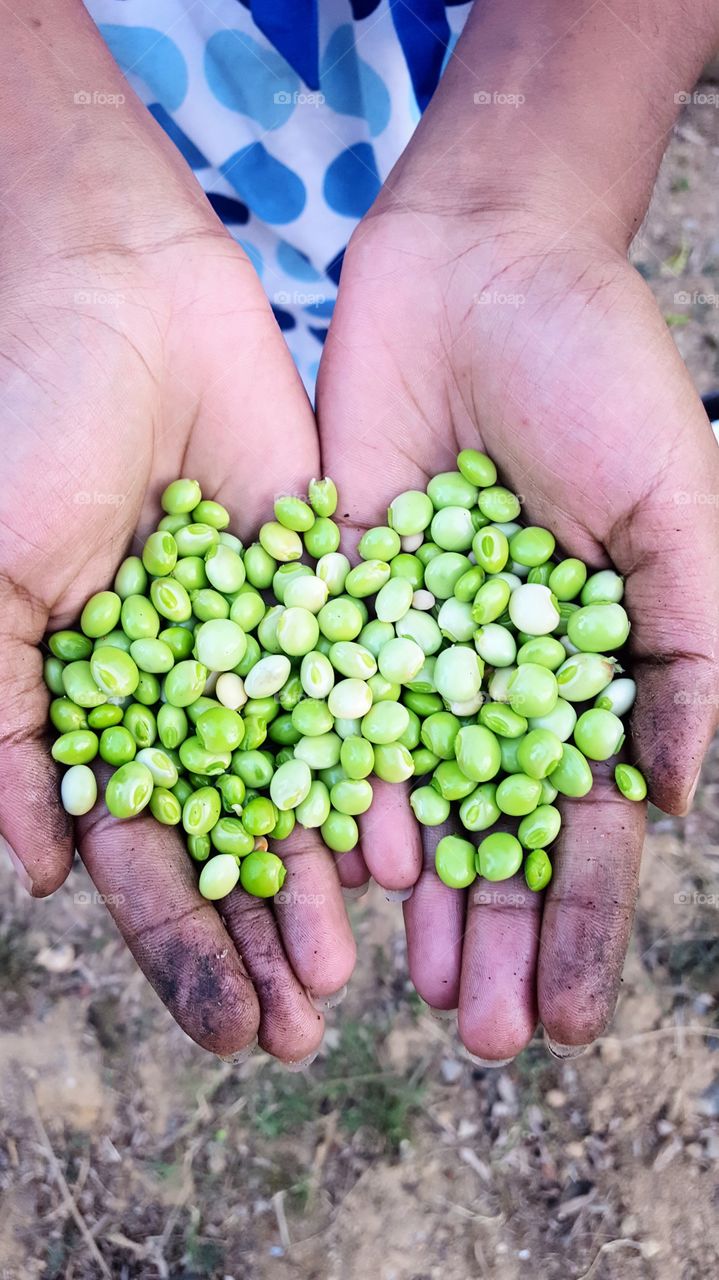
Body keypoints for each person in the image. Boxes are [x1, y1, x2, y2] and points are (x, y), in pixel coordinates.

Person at [1, 0, 718, 1068]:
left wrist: (527, 186)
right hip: (130, 146)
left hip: (455, 95)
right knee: (247, 370)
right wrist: (64, 194)